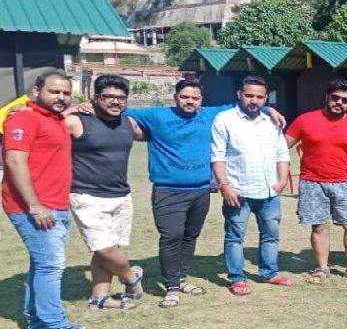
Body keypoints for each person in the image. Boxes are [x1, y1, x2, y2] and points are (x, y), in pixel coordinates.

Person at [118, 80, 285, 307]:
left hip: (200, 190)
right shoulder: (157, 115)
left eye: (195, 98)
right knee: (171, 237)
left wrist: (269, 110)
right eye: (185, 96)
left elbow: (248, 104)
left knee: (190, 237)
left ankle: (181, 279)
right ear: (175, 96)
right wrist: (83, 107)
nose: (190, 101)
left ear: (201, 100)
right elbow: (119, 109)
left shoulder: (209, 115)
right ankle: (172, 287)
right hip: (168, 190)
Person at [3, 71, 97, 329]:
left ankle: (36, 322)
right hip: (36, 208)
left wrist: (75, 108)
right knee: (51, 266)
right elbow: (15, 162)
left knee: (41, 264)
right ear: (36, 91)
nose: (61, 97)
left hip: (55, 204)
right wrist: (35, 205)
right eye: (54, 91)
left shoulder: (52, 118)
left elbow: (58, 112)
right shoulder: (23, 118)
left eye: (66, 93)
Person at [284, 79, 347, 284]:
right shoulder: (304, 120)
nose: (339, 102)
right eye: (335, 98)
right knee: (319, 227)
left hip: (344, 183)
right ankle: (321, 269)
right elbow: (281, 147)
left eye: (345, 100)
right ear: (327, 97)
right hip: (312, 182)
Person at [66, 75, 144, 309]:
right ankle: (131, 277)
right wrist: (71, 108)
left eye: (121, 98)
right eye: (109, 96)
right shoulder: (77, 121)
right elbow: (43, 123)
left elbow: (154, 135)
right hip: (86, 196)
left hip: (121, 195)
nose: (115, 102)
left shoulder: (128, 123)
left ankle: (100, 297)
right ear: (96, 97)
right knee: (105, 248)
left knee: (108, 249)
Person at [211, 76, 292, 295]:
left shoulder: (272, 121)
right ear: (239, 94)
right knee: (235, 236)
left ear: (266, 98)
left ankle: (269, 272)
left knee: (270, 235)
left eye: (259, 97)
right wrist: (224, 186)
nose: (254, 100)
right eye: (249, 95)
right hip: (239, 192)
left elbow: (282, 153)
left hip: (269, 192)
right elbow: (217, 156)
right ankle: (237, 277)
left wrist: (282, 180)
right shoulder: (224, 119)